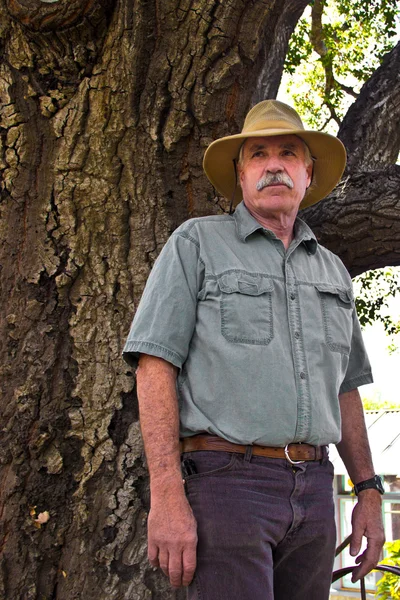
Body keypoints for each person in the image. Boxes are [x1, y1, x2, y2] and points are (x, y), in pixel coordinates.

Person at [123, 100, 385, 600]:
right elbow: (154, 365)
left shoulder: (332, 270)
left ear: (307, 174)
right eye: (257, 154)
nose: (273, 164)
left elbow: (346, 388)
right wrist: (166, 493)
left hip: (314, 490)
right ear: (241, 176)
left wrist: (368, 490)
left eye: (288, 152)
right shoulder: (196, 243)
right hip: (227, 486)